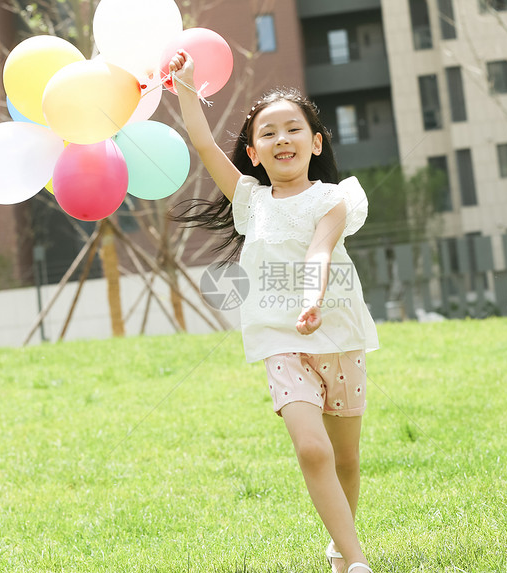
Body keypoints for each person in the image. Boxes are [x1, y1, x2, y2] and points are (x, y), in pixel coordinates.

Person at [167, 50, 379, 573]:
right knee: (312, 450)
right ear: (254, 152)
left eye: (293, 129)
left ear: (316, 142)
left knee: (346, 459)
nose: (282, 138)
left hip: (339, 334)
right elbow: (202, 141)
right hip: (280, 340)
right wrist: (187, 85)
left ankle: (337, 547)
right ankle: (355, 561)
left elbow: (320, 252)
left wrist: (312, 300)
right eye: (268, 133)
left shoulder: (333, 199)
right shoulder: (249, 199)